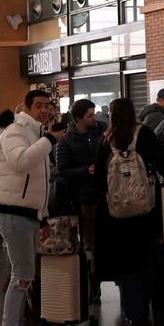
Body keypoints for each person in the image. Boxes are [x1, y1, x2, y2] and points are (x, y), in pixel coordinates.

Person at [0, 90, 63, 326]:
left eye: (48, 105)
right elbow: (20, 163)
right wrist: (48, 140)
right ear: (28, 107)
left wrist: (42, 215)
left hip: (29, 215)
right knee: (21, 276)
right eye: (39, 106)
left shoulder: (35, 132)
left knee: (26, 277)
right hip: (13, 214)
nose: (45, 110)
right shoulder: (15, 131)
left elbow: (39, 181)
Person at [94, 97, 161, 326]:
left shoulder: (106, 139)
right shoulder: (145, 134)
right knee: (145, 257)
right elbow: (157, 163)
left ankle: (132, 310)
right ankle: (146, 305)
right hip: (145, 210)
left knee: (125, 261)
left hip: (116, 213)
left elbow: (99, 178)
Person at [51, 99, 100, 269]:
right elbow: (63, 170)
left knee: (97, 236)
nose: (94, 118)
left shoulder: (98, 132)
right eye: (90, 115)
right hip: (83, 195)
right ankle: (90, 273)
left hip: (100, 191)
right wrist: (86, 170)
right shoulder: (65, 142)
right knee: (89, 237)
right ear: (78, 118)